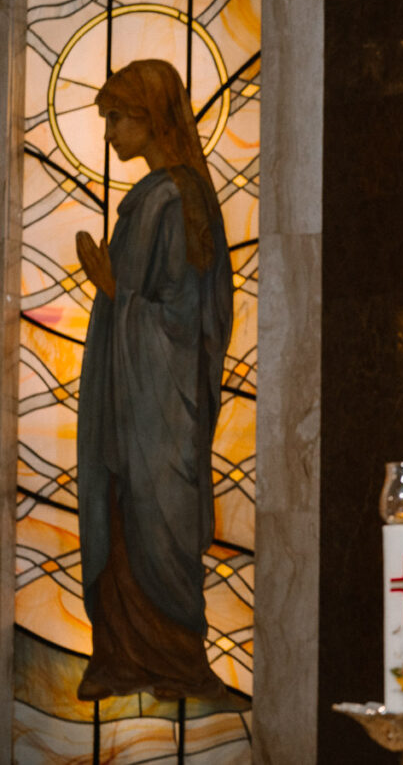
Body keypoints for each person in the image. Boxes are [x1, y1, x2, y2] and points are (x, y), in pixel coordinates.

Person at [74, 60, 232, 701]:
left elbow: (188, 317)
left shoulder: (180, 197)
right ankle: (122, 656)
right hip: (125, 398)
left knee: (155, 515)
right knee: (118, 507)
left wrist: (115, 290)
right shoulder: (150, 197)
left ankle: (175, 661)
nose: (109, 131)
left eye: (118, 117)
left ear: (153, 117)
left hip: (164, 407)